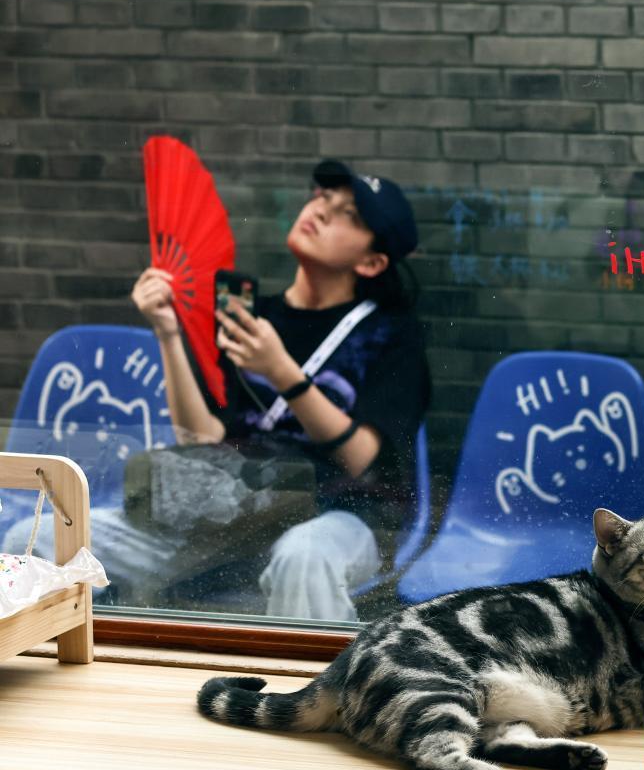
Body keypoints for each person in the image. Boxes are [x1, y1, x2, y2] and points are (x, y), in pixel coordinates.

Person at [4, 160, 430, 623]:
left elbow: (363, 458)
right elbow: (202, 437)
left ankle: (308, 674)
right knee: (34, 539)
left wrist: (281, 372)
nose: (322, 210)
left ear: (371, 262)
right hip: (231, 512)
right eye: (323, 197)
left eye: (350, 214)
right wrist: (168, 332)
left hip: (337, 514)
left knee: (305, 558)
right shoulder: (250, 316)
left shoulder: (391, 335)